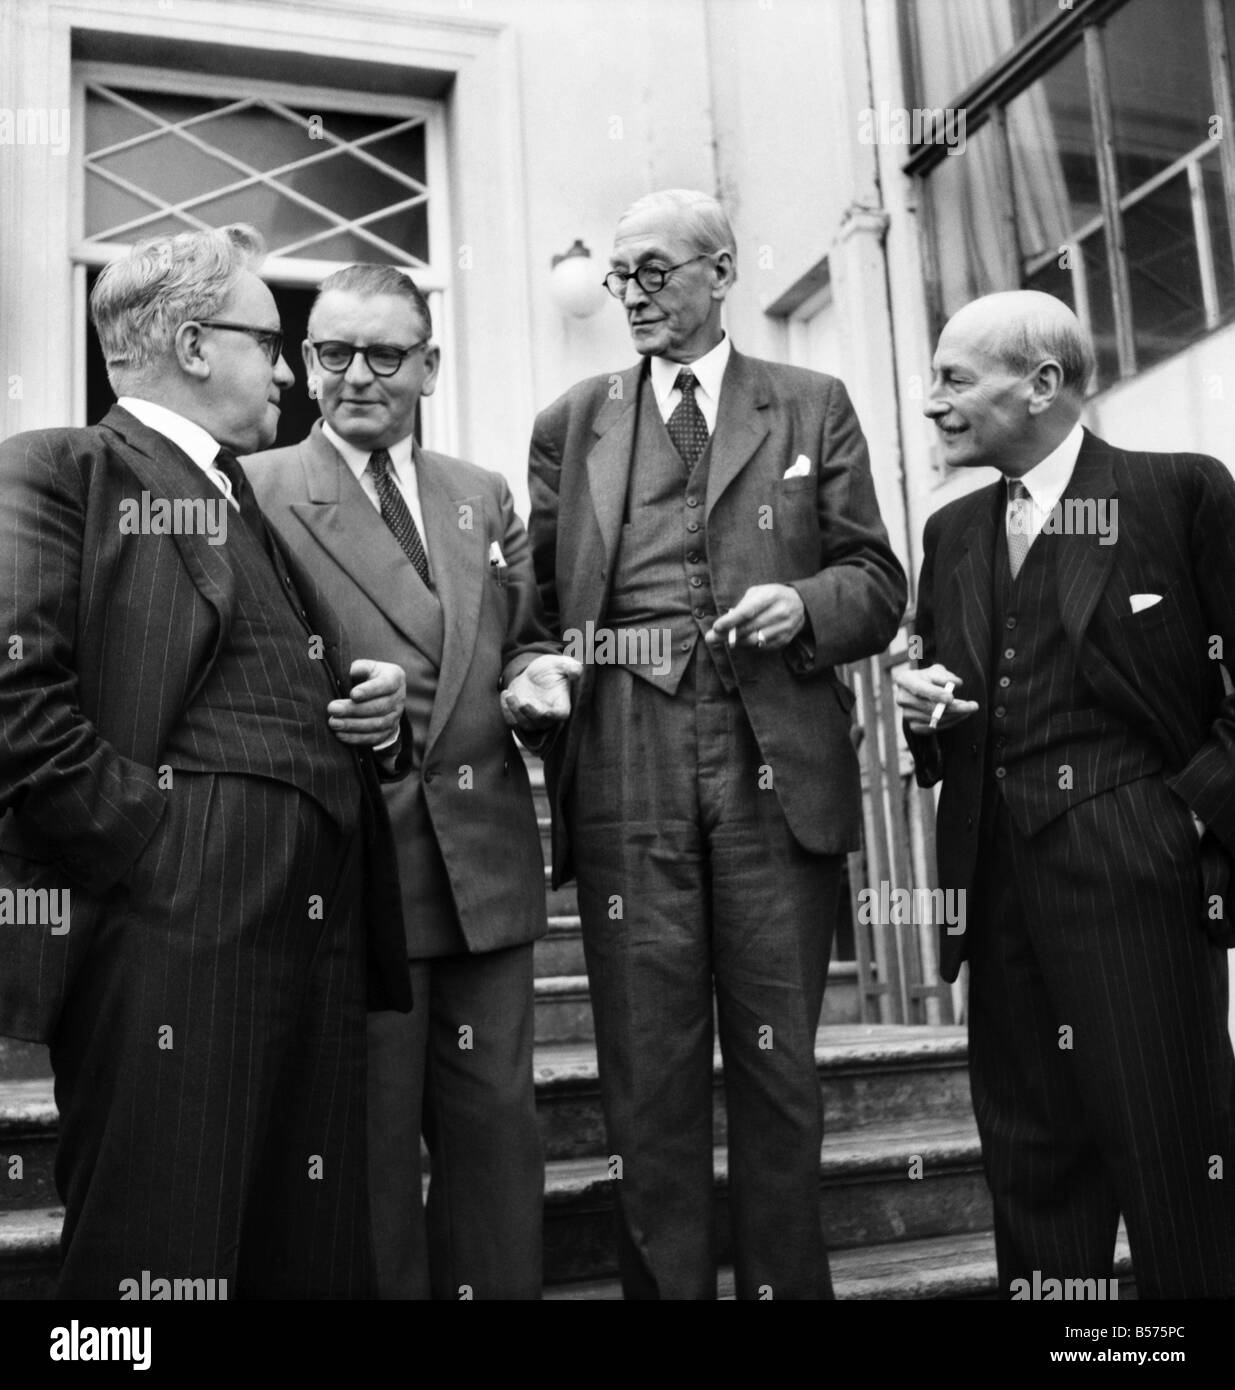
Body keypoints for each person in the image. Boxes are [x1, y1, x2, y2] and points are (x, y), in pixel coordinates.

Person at [0, 225, 413, 1298]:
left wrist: (366, 717)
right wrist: (152, 846)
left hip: (316, 920)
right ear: (190, 342)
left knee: (308, 1247)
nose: (287, 372)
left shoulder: (248, 503)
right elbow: (15, 699)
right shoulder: (58, 468)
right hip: (174, 920)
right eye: (267, 342)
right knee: (155, 1242)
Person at [527, 188, 906, 1299]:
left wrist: (805, 606)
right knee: (647, 1073)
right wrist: (534, 669)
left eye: (653, 272)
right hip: (624, 755)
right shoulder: (572, 420)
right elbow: (539, 608)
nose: (632, 295)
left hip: (768, 756)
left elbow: (876, 582)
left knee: (779, 1067)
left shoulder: (808, 402)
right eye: (619, 277)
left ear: (719, 270)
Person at [893, 289, 1235, 1298]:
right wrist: (924, 716)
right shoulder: (950, 534)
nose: (931, 403)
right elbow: (961, 711)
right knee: (1032, 1172)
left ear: (1041, 383)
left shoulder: (1179, 492)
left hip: (1141, 886)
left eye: (953, 379)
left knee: (1176, 1165)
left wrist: (1180, 820)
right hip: (996, 894)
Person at [245, 264, 575, 1300]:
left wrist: (539, 679)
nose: (355, 377)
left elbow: (520, 640)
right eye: (332, 354)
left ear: (428, 364)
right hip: (354, 878)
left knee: (495, 1141)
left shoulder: (478, 493)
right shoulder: (253, 489)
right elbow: (241, 686)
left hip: (485, 868)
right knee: (371, 1154)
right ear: (304, 366)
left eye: (384, 354)